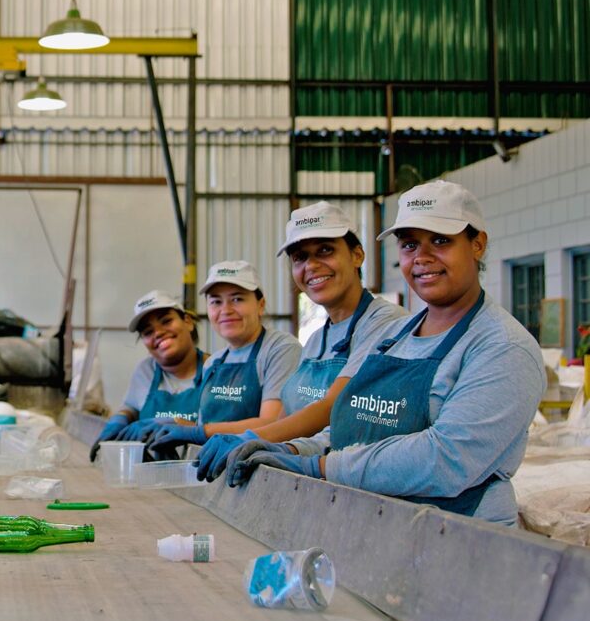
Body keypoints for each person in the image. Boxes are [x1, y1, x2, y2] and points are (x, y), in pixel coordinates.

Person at [225, 181, 544, 526]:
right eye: (409, 245)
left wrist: (317, 466)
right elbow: (353, 426)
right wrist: (295, 450)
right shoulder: (394, 336)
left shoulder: (503, 347)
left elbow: (447, 459)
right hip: (383, 525)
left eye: (440, 240)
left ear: (477, 244)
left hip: (461, 541)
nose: (421, 258)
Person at [192, 203, 406, 481]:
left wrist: (249, 437)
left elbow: (335, 406)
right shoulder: (317, 338)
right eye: (299, 257)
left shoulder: (386, 322)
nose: (311, 266)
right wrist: (263, 445)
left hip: (351, 481)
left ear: (357, 255)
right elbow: (284, 415)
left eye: (325, 250)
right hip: (305, 478)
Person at [146, 261, 302, 458]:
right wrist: (174, 425)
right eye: (216, 302)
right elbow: (206, 425)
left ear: (260, 305)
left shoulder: (281, 349)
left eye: (237, 299)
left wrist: (198, 432)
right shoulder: (214, 362)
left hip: (261, 468)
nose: (225, 310)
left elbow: (271, 423)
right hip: (215, 464)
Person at [88, 290, 207, 462]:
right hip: (152, 478)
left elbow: (220, 430)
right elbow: (131, 406)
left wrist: (174, 423)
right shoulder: (146, 370)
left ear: (187, 322)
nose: (158, 333)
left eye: (166, 321)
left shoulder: (216, 370)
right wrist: (119, 419)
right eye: (148, 332)